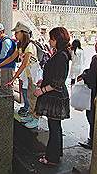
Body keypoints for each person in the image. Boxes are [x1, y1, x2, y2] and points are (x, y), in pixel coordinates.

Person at [34, 27, 71, 165]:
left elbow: (58, 82)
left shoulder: (61, 56)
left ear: (57, 40)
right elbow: (54, 75)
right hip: (54, 95)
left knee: (54, 127)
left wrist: (42, 90)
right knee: (56, 127)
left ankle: (52, 158)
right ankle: (56, 153)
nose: (49, 41)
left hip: (55, 97)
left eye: (52, 38)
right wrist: (43, 81)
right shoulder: (59, 53)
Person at [0, 22, 39, 128]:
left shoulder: (30, 46)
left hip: (33, 75)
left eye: (17, 32)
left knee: (33, 96)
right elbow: (11, 58)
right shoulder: (20, 45)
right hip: (26, 75)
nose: (15, 35)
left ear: (23, 33)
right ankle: (31, 115)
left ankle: (36, 118)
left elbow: (24, 64)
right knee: (28, 95)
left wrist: (13, 78)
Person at [77, 36, 97, 150]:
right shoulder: (95, 58)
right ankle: (92, 139)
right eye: (96, 44)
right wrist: (85, 73)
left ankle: (93, 141)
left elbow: (92, 76)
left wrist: (85, 75)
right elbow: (90, 72)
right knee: (90, 116)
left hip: (96, 92)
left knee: (93, 117)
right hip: (92, 92)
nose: (96, 47)